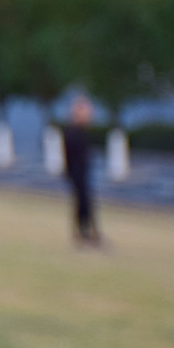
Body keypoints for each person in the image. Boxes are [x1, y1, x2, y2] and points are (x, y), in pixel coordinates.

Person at [63, 96, 102, 247]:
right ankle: (83, 233)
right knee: (82, 203)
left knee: (86, 203)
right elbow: (69, 157)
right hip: (77, 174)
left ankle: (90, 232)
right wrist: (70, 174)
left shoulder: (82, 132)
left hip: (84, 173)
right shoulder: (73, 133)